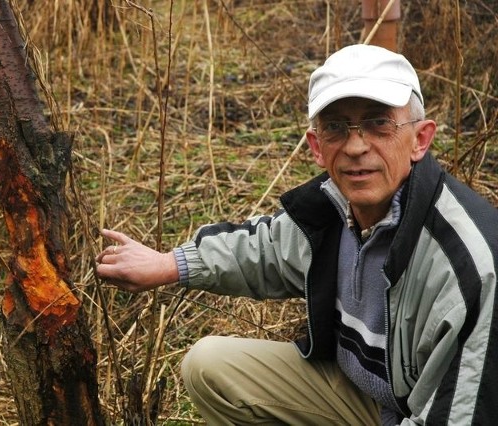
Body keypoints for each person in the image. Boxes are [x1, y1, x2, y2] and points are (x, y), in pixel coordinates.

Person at [95, 44, 498, 425]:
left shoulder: (469, 267)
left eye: (378, 124)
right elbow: (264, 249)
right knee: (209, 366)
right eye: (336, 128)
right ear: (317, 147)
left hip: (425, 411)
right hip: (369, 398)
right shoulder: (332, 211)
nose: (356, 146)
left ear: (420, 139)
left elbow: (461, 414)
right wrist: (168, 265)